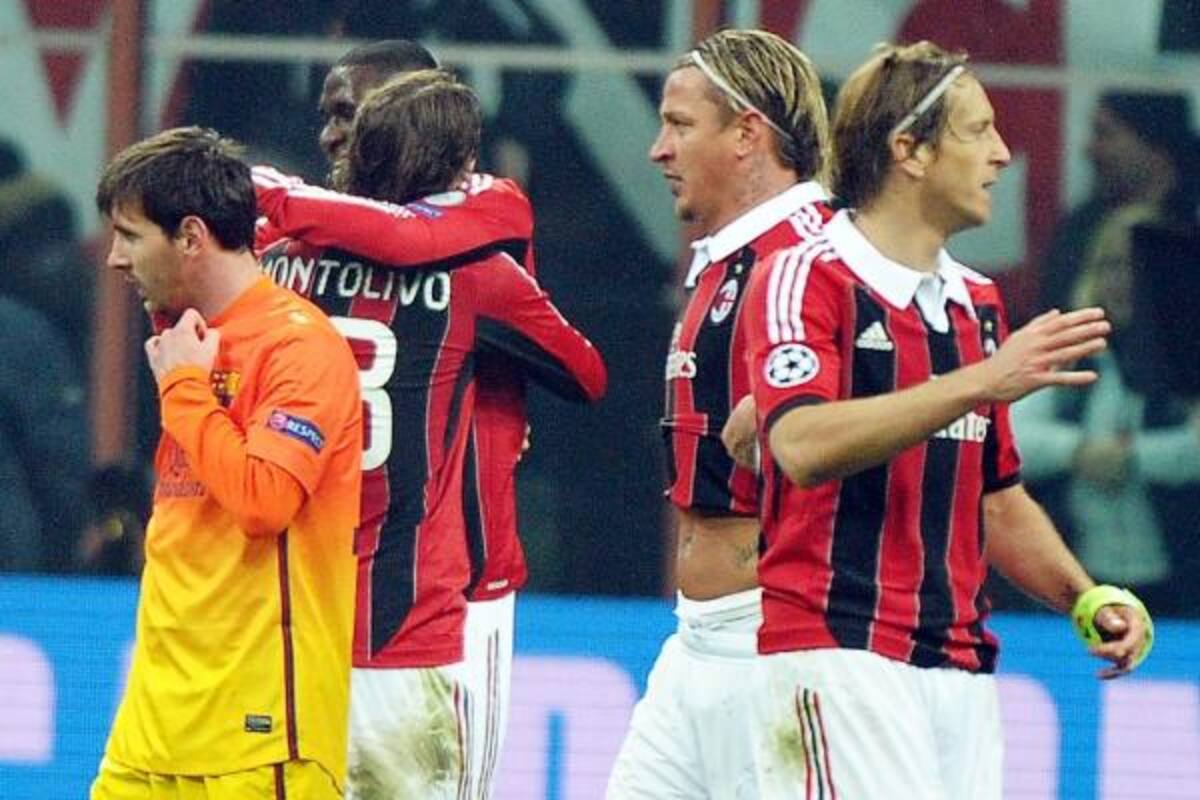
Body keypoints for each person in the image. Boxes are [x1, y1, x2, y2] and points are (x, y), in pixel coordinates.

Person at [738, 42, 1152, 799]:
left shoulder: (976, 304)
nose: (1000, 154)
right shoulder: (805, 274)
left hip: (957, 670)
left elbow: (993, 495)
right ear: (910, 150)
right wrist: (980, 383)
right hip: (838, 655)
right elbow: (798, 444)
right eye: (978, 131)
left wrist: (1084, 596)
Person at [258, 70, 606, 798]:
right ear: (457, 160)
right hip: (417, 612)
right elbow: (587, 374)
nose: (331, 133)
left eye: (347, 117)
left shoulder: (282, 259)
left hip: (282, 618)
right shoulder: (480, 266)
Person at [89, 126, 363, 800]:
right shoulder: (186, 339)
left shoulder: (298, 348)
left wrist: (184, 388)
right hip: (151, 732)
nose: (114, 260)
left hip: (257, 743)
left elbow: (264, 502)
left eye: (130, 236)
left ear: (189, 236)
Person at [606, 29, 831, 799]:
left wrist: (795, 412)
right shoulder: (729, 257)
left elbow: (892, 396)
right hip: (694, 641)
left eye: (679, 123)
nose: (657, 149)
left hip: (773, 643)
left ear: (748, 132)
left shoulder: (817, 256)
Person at [1014, 203, 1200, 617]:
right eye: (1114, 264)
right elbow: (1008, 437)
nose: (1128, 280)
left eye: (1142, 266)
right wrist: (1078, 452)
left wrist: (1133, 457)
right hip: (1079, 585)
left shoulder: (1189, 357)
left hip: (1182, 590)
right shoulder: (1073, 354)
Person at [1039, 90, 1198, 315]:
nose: (1089, 150)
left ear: (1155, 147)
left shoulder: (1189, 230)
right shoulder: (1078, 228)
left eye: (1105, 134)